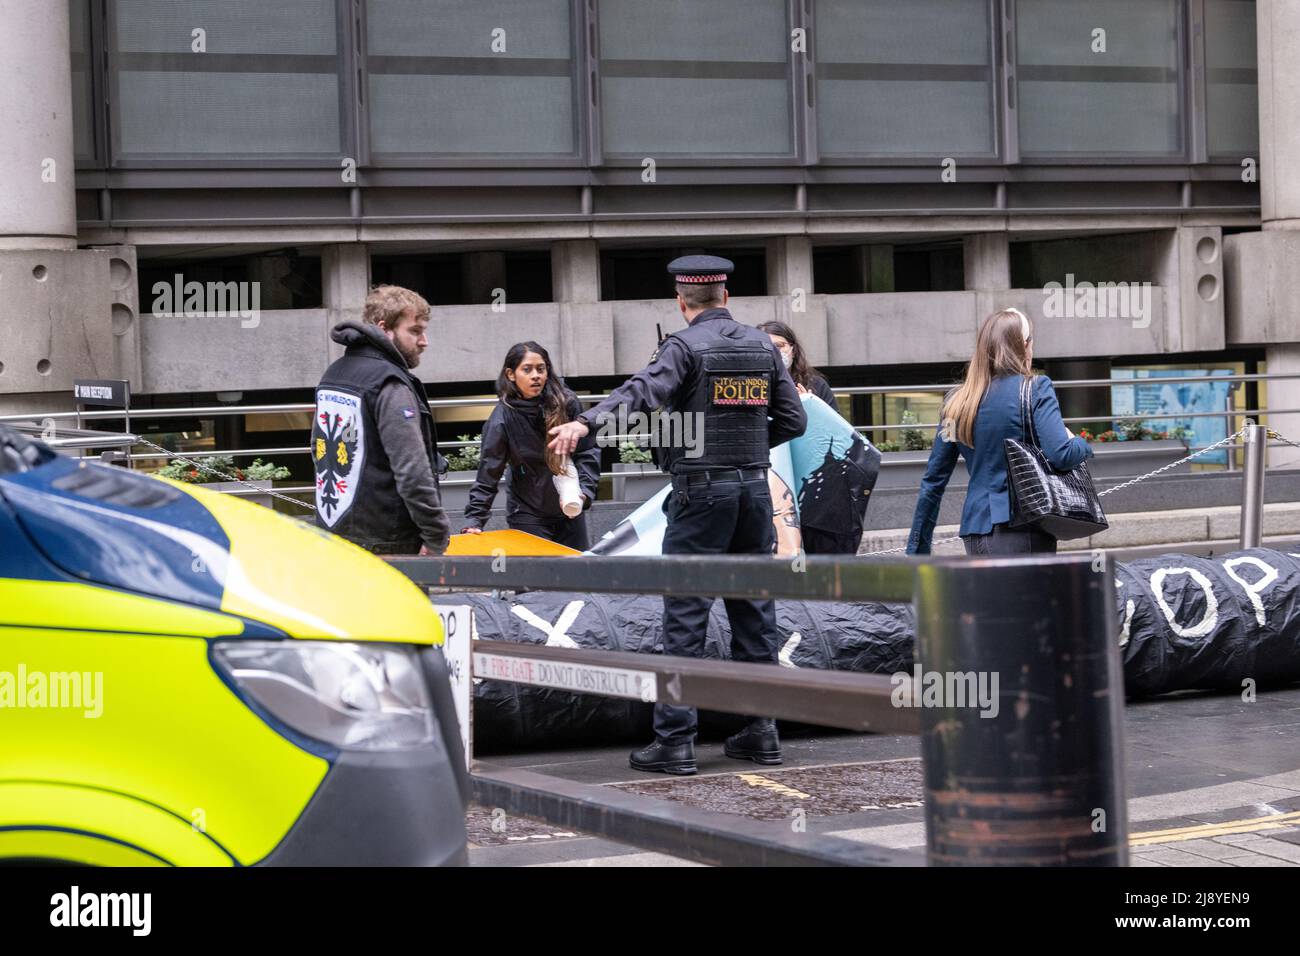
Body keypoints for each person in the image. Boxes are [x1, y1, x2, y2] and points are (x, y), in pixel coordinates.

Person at [548, 254, 807, 775]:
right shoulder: (761, 345)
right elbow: (794, 420)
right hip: (755, 493)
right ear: (726, 298)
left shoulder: (683, 346)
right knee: (755, 615)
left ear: (682, 302)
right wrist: (748, 448)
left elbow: (641, 394)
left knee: (685, 617)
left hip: (701, 496)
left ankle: (675, 741)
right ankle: (761, 732)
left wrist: (585, 424)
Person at [907, 307, 1092, 557]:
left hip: (975, 531)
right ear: (1024, 346)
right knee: (1033, 598)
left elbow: (934, 479)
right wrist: (1081, 444)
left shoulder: (955, 404)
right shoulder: (1037, 389)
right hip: (1024, 529)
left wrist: (917, 549)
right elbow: (1061, 454)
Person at [313, 285, 450, 556]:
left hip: (336, 534)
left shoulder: (334, 374)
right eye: (415, 330)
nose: (424, 341)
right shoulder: (389, 382)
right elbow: (412, 470)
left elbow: (319, 455)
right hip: (388, 540)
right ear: (384, 327)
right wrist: (435, 535)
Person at [461, 342, 600, 550]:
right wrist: (475, 520)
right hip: (527, 512)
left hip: (570, 506)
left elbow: (587, 450)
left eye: (541, 369)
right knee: (537, 578)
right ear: (511, 374)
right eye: (527, 369)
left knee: (576, 577)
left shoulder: (567, 403)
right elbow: (489, 472)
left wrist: (585, 492)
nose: (536, 375)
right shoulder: (502, 419)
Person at [759, 319, 869, 555]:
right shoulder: (754, 387)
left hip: (813, 479)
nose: (775, 353)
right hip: (773, 481)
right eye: (767, 347)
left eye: (779, 346)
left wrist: (813, 408)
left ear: (792, 348)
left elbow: (840, 434)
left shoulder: (815, 385)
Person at [758, 320, 839, 412]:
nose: (774, 351)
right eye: (765, 346)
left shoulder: (816, 385)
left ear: (793, 351)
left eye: (779, 345)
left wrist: (809, 406)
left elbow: (832, 424)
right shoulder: (750, 385)